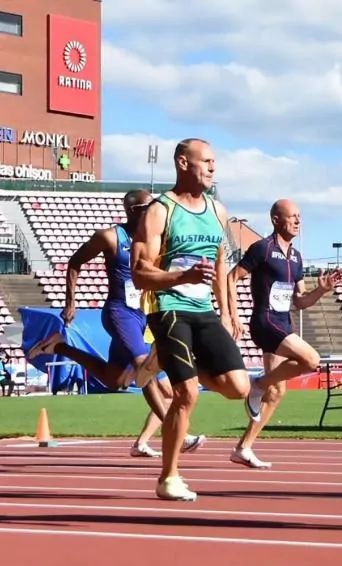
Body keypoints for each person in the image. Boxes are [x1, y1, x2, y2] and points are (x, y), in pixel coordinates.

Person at [28, 190, 206, 457]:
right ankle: (179, 433)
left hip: (143, 313)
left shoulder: (155, 238)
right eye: (148, 206)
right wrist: (70, 302)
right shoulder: (111, 237)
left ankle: (59, 347)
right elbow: (75, 262)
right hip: (119, 312)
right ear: (133, 211)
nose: (154, 210)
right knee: (143, 366)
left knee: (115, 381)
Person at [131, 137, 250, 502]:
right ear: (183, 163)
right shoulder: (160, 211)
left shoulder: (217, 210)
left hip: (204, 310)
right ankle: (168, 478)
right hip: (167, 307)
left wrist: (228, 312)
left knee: (239, 387)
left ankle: (159, 361)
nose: (213, 167)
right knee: (187, 393)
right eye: (206, 161)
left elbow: (221, 265)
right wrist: (181, 277)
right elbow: (139, 273)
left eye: (215, 162)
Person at [226, 198, 342, 469]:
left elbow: (299, 301)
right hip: (265, 322)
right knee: (311, 360)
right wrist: (233, 315)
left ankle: (243, 448)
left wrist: (321, 290)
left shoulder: (297, 257)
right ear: (276, 220)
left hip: (284, 323)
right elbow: (231, 278)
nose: (298, 221)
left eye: (300, 216)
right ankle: (257, 384)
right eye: (292, 216)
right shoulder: (262, 248)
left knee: (277, 391)